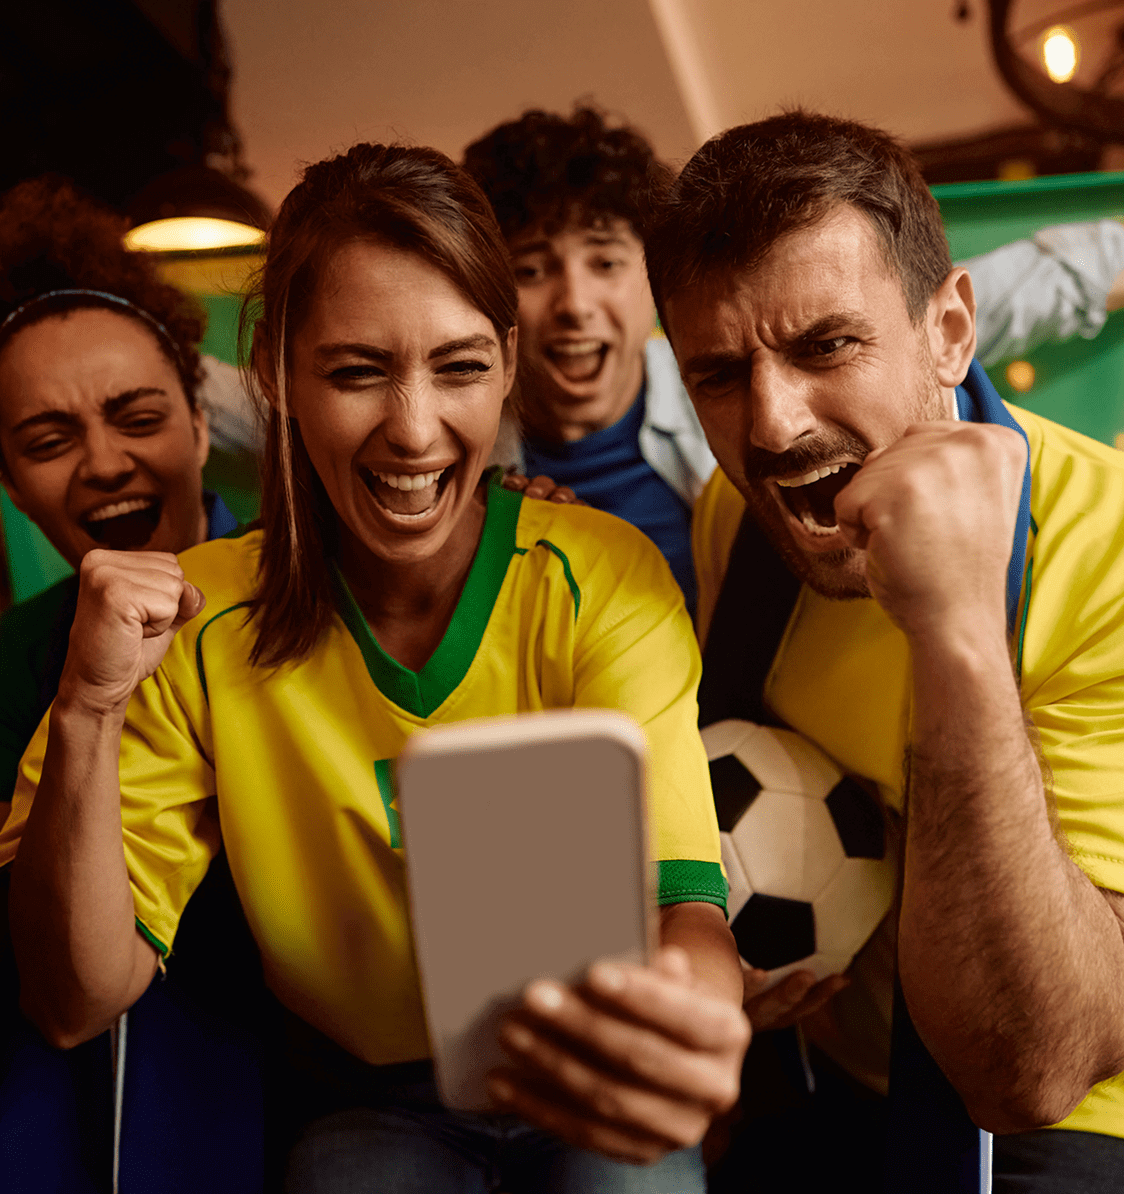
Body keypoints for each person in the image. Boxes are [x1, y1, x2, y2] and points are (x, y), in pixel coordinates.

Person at [3, 143, 748, 1191]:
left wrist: (692, 1020)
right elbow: (75, 1000)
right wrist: (88, 704)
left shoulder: (601, 577)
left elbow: (684, 907)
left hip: (592, 1063)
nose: (413, 430)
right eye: (357, 372)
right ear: (276, 374)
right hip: (371, 1104)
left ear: (507, 362)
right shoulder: (194, 622)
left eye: (460, 368)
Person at [643, 110, 1124, 1191]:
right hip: (826, 1077)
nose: (772, 426)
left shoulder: (1108, 555)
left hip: (1073, 1113)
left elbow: (1037, 1069)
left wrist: (957, 627)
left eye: (827, 347)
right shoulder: (740, 519)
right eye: (717, 374)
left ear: (948, 330)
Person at [0, 177, 264, 1193]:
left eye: (138, 417)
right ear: (11, 481)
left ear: (199, 423)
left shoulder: (308, 598)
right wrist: (86, 702)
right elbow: (56, 1002)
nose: (104, 464)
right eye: (49, 441)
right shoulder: (13, 665)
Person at [463, 107, 715, 614]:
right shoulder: (452, 438)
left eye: (605, 262)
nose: (575, 305)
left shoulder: (727, 395)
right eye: (531, 270)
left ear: (656, 276)